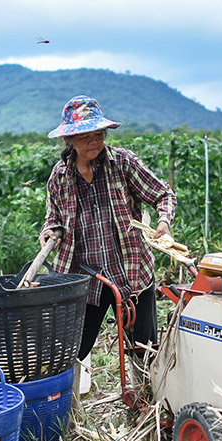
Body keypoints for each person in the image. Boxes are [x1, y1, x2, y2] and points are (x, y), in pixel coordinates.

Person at [39, 95, 177, 363]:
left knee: (143, 350)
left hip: (131, 272)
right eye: (84, 137)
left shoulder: (123, 163)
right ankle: (69, 389)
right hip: (84, 277)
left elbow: (163, 195)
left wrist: (163, 222)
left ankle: (143, 389)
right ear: (69, 139)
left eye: (98, 134)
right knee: (71, 351)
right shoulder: (60, 175)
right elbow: (53, 216)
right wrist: (50, 230)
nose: (93, 142)